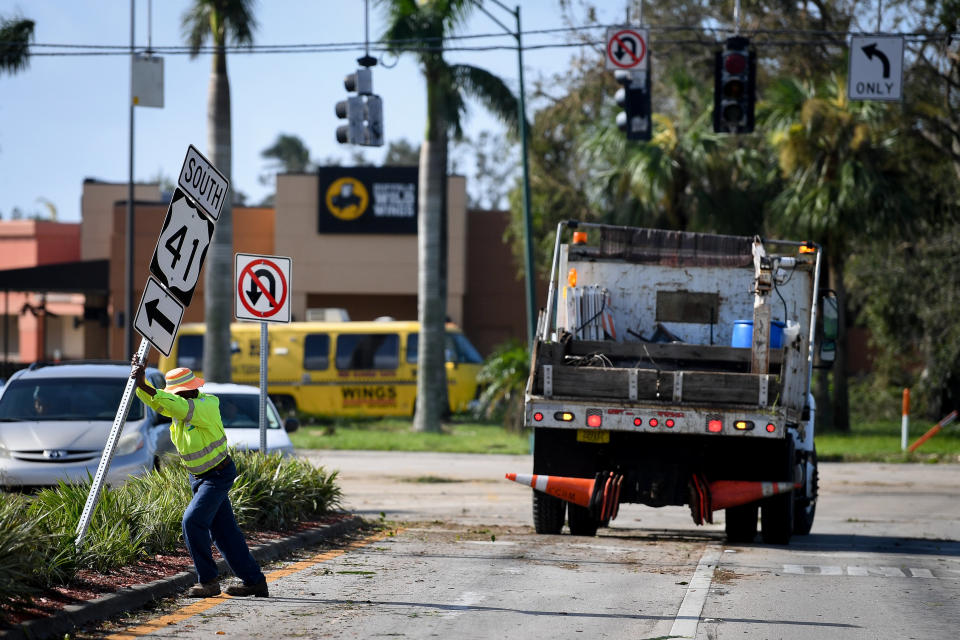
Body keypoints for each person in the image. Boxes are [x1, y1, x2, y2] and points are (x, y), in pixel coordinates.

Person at [131, 359, 268, 598]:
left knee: (192, 521)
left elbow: (170, 404)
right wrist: (138, 383)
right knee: (225, 533)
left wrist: (144, 384)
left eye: (175, 394)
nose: (172, 398)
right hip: (200, 478)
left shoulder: (204, 405)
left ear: (187, 392)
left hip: (217, 475)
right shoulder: (180, 407)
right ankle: (254, 581)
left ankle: (208, 581)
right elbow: (160, 403)